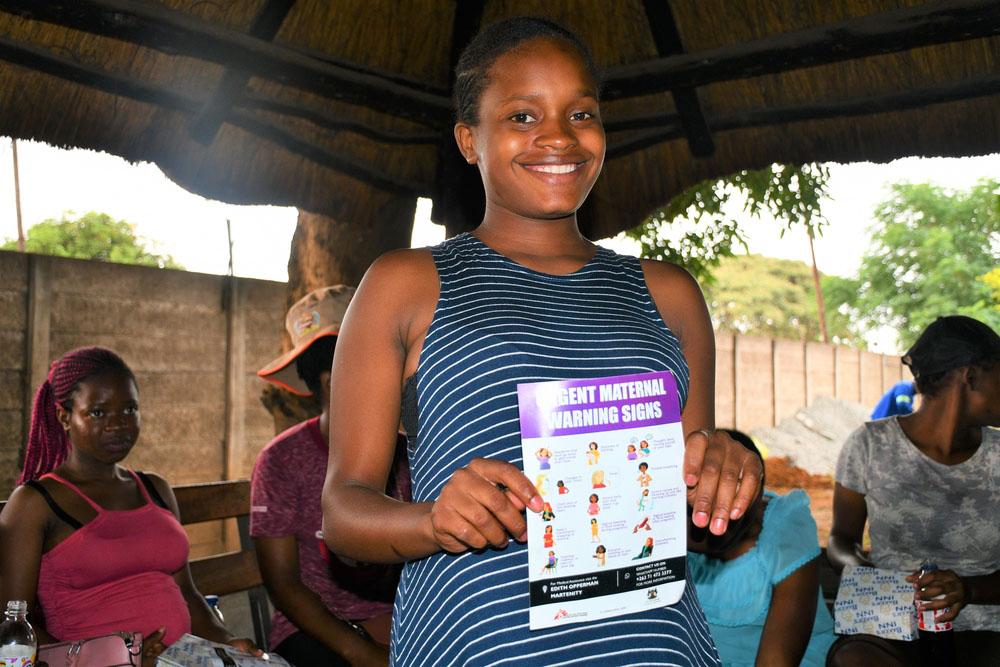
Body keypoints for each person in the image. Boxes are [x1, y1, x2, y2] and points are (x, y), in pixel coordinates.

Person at [321, 17, 762, 666]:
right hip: (478, 645)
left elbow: (690, 501)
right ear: (470, 140)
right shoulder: (404, 284)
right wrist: (432, 518)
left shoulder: (669, 295)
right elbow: (342, 511)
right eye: (523, 116)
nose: (558, 135)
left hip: (655, 648)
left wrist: (727, 470)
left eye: (581, 112)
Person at [0, 346, 258, 666]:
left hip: (184, 658)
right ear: (64, 416)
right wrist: (116, 658)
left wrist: (227, 641)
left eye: (129, 409)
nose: (119, 424)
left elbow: (187, 594)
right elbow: (12, 625)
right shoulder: (36, 503)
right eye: (98, 412)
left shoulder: (155, 489)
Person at [827, 316, 1000, 665]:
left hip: (987, 633)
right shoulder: (870, 446)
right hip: (892, 631)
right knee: (853, 659)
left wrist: (967, 589)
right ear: (971, 377)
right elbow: (840, 542)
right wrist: (870, 571)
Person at [252, 286, 409, 667]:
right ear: (327, 382)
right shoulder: (282, 460)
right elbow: (284, 583)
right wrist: (359, 649)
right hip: (318, 631)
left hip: (403, 619)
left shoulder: (411, 451)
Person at [687, 429, 836, 666]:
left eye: (733, 509)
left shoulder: (786, 525)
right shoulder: (680, 532)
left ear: (756, 498)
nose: (718, 523)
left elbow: (777, 661)